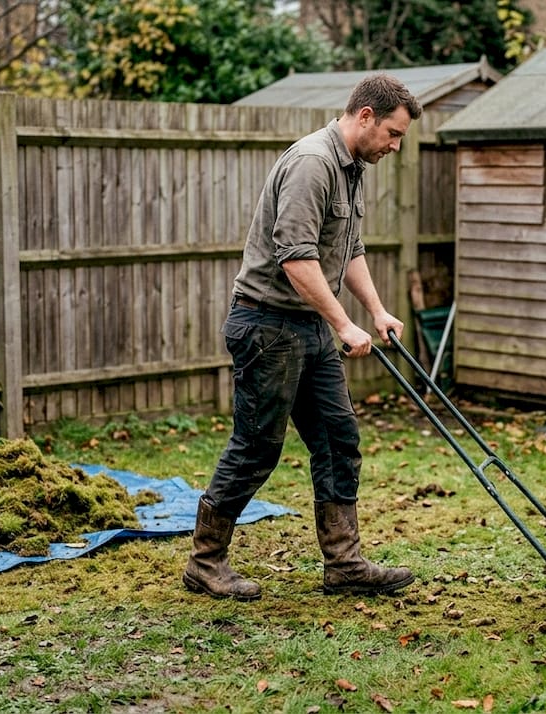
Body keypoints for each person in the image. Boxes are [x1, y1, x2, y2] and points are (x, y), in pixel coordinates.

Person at [183, 74, 424, 601]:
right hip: (268, 326)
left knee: (339, 440)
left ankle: (344, 564)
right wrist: (343, 323)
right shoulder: (312, 164)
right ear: (364, 116)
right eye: (392, 133)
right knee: (256, 447)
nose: (395, 145)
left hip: (309, 327)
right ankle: (205, 561)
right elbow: (296, 258)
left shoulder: (352, 167)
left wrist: (377, 311)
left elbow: (348, 248)